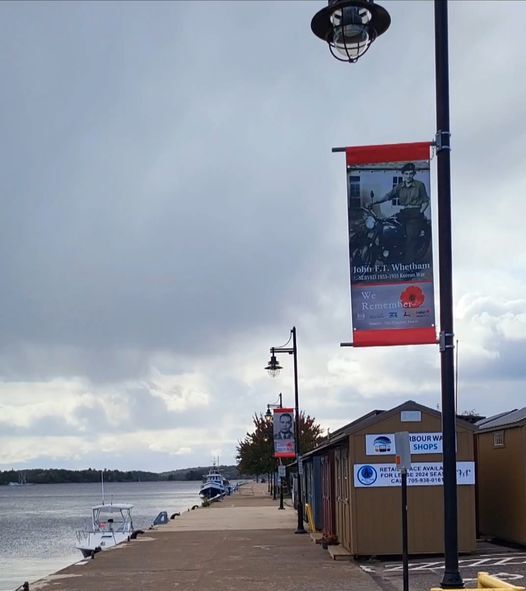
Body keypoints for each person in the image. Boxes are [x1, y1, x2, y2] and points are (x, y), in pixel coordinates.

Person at [371, 162, 430, 263]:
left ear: (414, 174)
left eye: (410, 173)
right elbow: (388, 196)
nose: (408, 176)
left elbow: (426, 201)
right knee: (387, 226)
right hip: (404, 212)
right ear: (403, 174)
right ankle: (388, 253)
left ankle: (408, 267)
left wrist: (420, 213)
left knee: (410, 239)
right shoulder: (400, 186)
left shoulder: (419, 185)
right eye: (406, 173)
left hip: (415, 213)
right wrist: (375, 202)